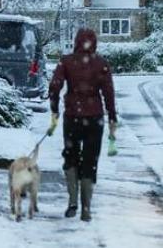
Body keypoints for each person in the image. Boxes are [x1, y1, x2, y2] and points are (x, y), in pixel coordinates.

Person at [47, 28, 117, 222]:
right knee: (90, 161)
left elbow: (55, 86)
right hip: (95, 119)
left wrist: (54, 109)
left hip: (72, 118)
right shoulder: (101, 63)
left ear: (76, 41)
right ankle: (86, 208)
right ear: (94, 43)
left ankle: (72, 201)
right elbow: (109, 93)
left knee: (71, 157)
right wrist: (112, 117)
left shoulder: (67, 61)